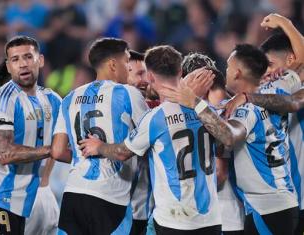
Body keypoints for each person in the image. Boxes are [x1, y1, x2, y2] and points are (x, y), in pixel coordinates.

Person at [80, 45, 222, 235]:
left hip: (174, 220)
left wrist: (100, 147)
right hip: (211, 219)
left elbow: (122, 152)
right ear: (180, 72)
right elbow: (225, 141)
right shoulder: (206, 110)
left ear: (151, 77)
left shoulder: (155, 117)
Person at [161, 44, 299, 235]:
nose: (225, 71)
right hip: (280, 203)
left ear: (237, 73)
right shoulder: (276, 91)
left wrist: (195, 102)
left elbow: (229, 136)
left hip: (267, 208)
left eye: (228, 66)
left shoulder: (246, 111)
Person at [51, 37, 149, 235]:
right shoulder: (128, 93)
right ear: (113, 64)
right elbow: (149, 137)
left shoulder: (69, 98)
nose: (128, 68)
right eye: (126, 61)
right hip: (110, 197)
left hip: (73, 195)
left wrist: (84, 156)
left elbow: (58, 151)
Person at [221, 13, 304, 235]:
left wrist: (286, 23)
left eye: (272, 66)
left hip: (278, 200)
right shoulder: (277, 89)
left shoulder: (270, 96)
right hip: (286, 196)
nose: (268, 73)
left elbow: (294, 100)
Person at [0, 35, 61, 235]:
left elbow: (64, 144)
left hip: (32, 199)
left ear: (40, 60)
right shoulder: (3, 99)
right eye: (15, 60)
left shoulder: (52, 100)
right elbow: (5, 154)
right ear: (8, 66)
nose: (23, 64)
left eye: (27, 57)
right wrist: (52, 150)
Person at [181, 52, 245, 235]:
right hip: (224, 214)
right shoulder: (230, 104)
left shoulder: (218, 113)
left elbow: (220, 173)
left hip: (224, 215)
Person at [127, 49, 154, 235]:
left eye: (146, 73)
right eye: (139, 74)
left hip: (146, 211)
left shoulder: (157, 109)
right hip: (122, 209)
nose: (144, 80)